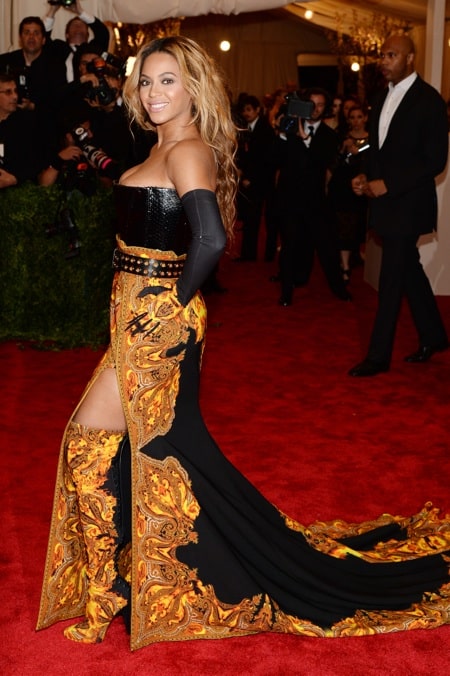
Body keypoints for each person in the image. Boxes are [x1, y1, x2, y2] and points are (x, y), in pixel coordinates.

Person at [37, 36, 450, 651]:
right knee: (115, 447)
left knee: (103, 447)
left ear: (194, 87)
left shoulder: (189, 151)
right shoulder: (161, 145)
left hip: (157, 326)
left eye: (168, 80)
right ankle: (114, 587)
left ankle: (107, 597)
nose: (154, 92)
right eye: (146, 81)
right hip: (134, 319)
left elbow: (208, 239)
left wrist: (170, 306)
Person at [348, 35, 449, 377]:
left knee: (391, 279)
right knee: (408, 270)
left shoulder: (429, 101)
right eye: (383, 54)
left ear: (410, 58)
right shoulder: (379, 98)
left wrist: (390, 184)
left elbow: (436, 160)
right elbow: (378, 151)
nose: (384, 60)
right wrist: (364, 176)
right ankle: (434, 336)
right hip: (385, 203)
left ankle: (378, 357)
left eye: (392, 54)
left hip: (409, 203)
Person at [274, 87, 351, 305]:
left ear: (325, 109)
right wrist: (282, 133)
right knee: (289, 247)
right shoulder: (288, 128)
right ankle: (286, 293)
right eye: (311, 104)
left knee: (327, 247)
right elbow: (273, 159)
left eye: (320, 105)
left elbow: (318, 162)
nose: (315, 109)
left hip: (316, 202)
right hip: (289, 201)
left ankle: (338, 288)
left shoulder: (329, 135)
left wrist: (305, 139)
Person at [327, 104, 369, 283]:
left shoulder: (372, 140)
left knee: (358, 226)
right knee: (343, 225)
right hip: (342, 188)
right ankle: (344, 265)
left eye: (359, 117)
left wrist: (359, 152)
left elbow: (374, 163)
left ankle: (355, 256)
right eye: (352, 117)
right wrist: (344, 150)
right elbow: (333, 165)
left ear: (365, 118)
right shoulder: (343, 138)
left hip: (363, 189)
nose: (356, 121)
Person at [235, 94, 276, 261]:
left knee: (266, 220)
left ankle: (266, 255)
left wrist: (250, 178)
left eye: (249, 110)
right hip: (248, 180)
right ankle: (248, 254)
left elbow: (265, 158)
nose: (246, 113)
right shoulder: (245, 127)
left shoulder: (265, 129)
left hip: (262, 181)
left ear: (257, 110)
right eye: (244, 110)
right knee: (250, 220)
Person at [43, 0, 110, 83]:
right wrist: (52, 10)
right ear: (67, 34)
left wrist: (80, 12)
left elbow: (103, 33)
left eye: (82, 25)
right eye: (74, 25)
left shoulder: (94, 49)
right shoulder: (57, 49)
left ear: (88, 34)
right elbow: (42, 39)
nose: (78, 27)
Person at [0, 73, 46, 188]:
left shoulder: (28, 122)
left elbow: (39, 160)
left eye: (15, 91)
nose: (15, 96)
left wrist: (15, 178)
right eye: (8, 92)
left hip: (20, 189)